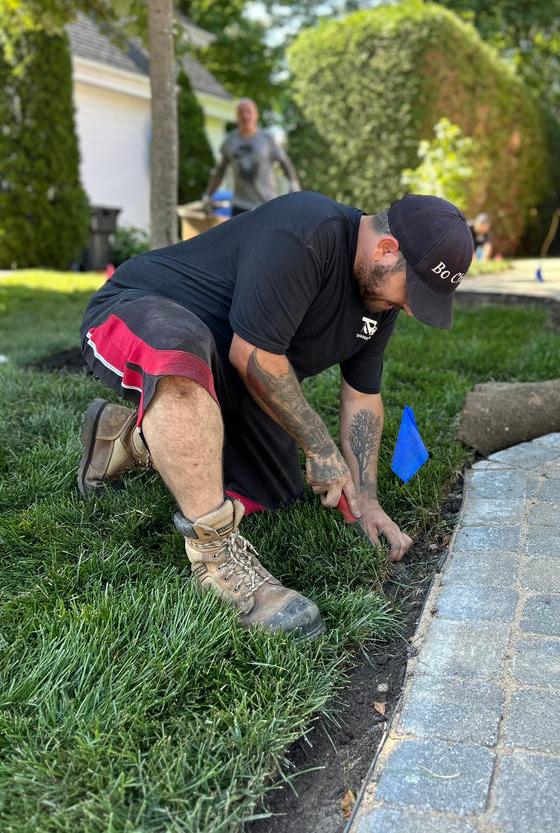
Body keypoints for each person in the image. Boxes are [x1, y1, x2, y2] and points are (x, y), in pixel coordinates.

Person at [76, 191, 474, 639]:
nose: (408, 307)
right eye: (413, 291)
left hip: (227, 366)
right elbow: (254, 356)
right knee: (181, 352)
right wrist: (320, 447)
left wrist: (367, 502)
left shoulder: (377, 300)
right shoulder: (305, 233)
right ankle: (216, 559)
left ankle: (125, 438)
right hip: (139, 309)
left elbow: (362, 397)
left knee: (276, 494)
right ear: (386, 249)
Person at [203, 98, 300, 215]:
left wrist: (294, 188)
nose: (245, 115)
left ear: (256, 115)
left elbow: (285, 163)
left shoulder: (267, 139)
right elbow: (220, 171)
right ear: (237, 116)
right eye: (241, 112)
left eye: (249, 111)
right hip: (239, 206)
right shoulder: (230, 141)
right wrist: (209, 195)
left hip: (266, 204)